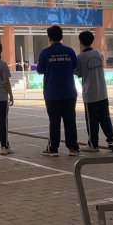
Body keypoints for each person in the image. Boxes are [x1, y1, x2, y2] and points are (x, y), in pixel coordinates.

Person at [37, 25, 80, 157]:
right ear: (62, 36)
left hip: (52, 93)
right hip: (69, 92)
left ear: (49, 38)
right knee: (70, 121)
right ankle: (73, 147)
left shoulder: (45, 53)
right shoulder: (70, 51)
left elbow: (40, 70)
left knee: (54, 121)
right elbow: (75, 68)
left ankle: (53, 148)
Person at [75, 31, 113, 153]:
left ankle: (93, 145)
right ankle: (111, 140)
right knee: (105, 118)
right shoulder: (98, 53)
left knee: (92, 121)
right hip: (102, 92)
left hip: (90, 94)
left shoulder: (80, 57)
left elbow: (78, 73)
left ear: (80, 42)